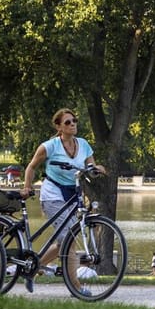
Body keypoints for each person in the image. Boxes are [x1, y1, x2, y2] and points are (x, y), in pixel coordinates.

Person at [21, 108, 106, 296]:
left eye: (74, 120)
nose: (73, 124)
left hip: (73, 193)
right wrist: (27, 186)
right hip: (52, 193)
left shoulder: (83, 144)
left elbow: (90, 168)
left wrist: (97, 169)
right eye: (68, 122)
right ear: (59, 127)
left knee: (63, 243)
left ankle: (33, 268)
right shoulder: (49, 146)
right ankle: (76, 288)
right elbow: (31, 167)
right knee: (71, 238)